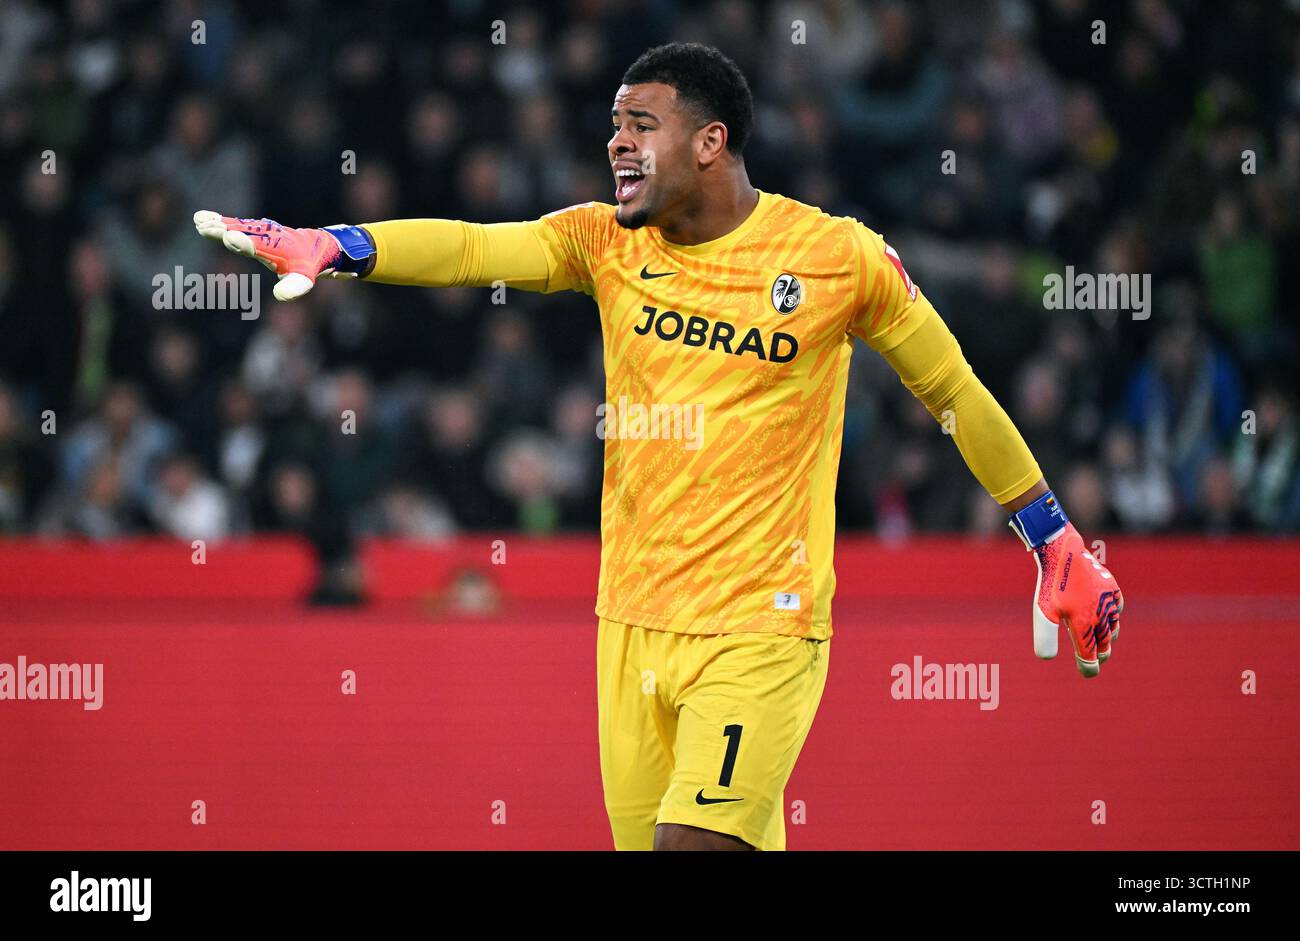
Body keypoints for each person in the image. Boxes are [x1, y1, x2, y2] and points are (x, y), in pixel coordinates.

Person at [195, 43, 1123, 851]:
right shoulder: (603, 243)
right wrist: (337, 244)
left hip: (763, 623)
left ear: (710, 142)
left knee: (693, 844)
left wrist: (1051, 535)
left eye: (641, 124)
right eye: (612, 126)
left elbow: (953, 390)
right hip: (631, 622)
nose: (616, 143)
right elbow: (476, 249)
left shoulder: (837, 257)